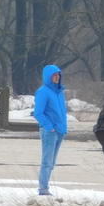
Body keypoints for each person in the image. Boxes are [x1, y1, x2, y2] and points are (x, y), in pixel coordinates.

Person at [32, 64, 67, 196]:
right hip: (49, 132)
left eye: (58, 75)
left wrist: (63, 128)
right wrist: (49, 127)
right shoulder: (43, 92)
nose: (57, 77)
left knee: (52, 162)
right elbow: (38, 113)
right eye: (54, 75)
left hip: (60, 131)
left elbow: (61, 112)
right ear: (48, 76)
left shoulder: (59, 93)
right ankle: (43, 189)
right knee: (47, 162)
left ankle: (45, 187)